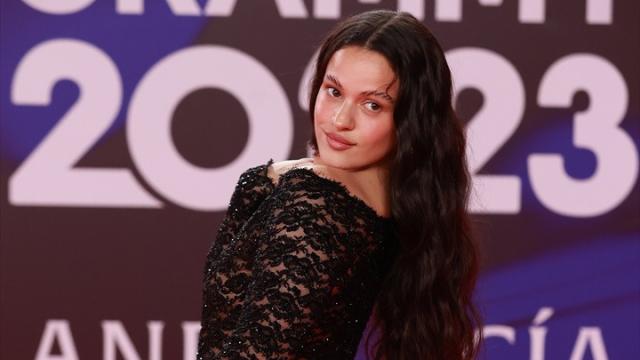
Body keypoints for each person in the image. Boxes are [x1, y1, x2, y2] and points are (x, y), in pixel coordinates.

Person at [197, 9, 482, 360]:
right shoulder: (387, 202)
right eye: (333, 91)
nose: (340, 120)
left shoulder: (319, 201)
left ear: (411, 120)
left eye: (372, 104)